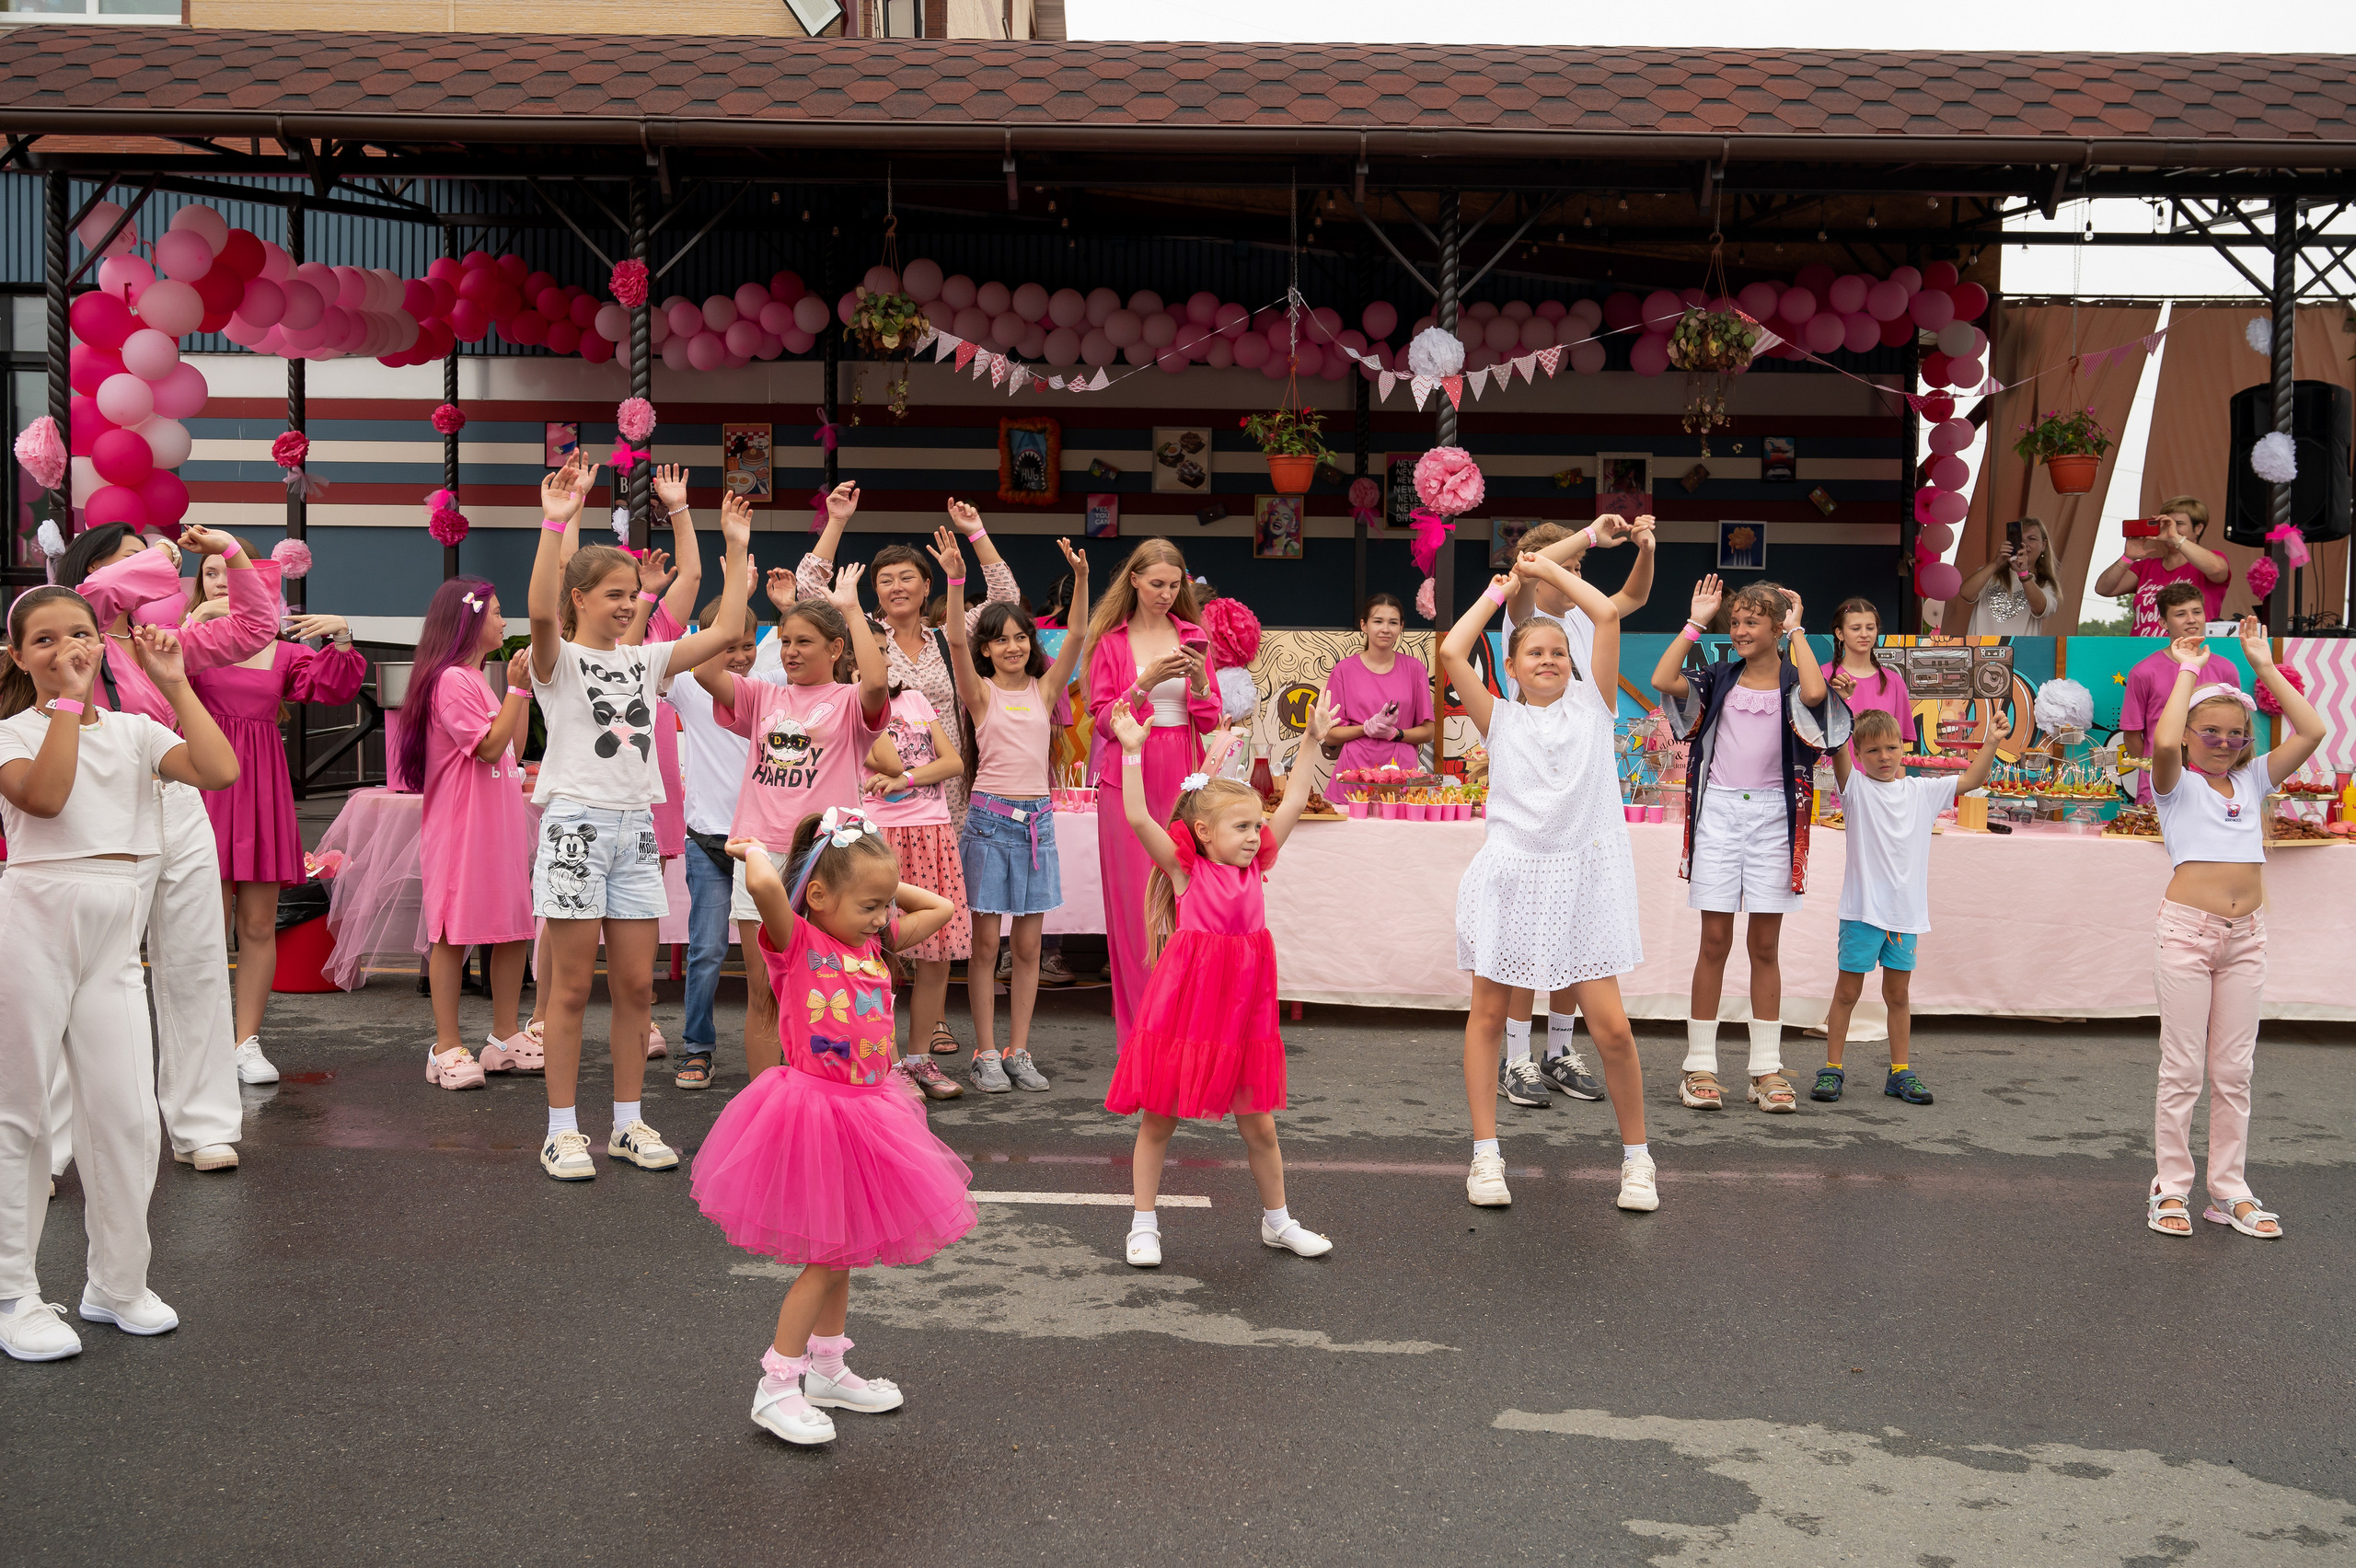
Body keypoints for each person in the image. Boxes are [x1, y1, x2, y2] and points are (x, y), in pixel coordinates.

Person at [0, 591, 237, 1361]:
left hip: (114, 934)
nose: (64, 647)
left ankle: (116, 1283)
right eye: (42, 640)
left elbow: (217, 769)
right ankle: (14, 1294)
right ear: (18, 657)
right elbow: (46, 796)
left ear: (103, 642)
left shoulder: (137, 732)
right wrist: (67, 704)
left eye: (77, 633)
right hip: (32, 924)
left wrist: (172, 681)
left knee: (129, 1115)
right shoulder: (12, 732)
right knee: (22, 1117)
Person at [688, 811, 973, 1447]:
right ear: (818, 896)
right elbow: (766, 890)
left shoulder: (873, 944)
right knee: (823, 1258)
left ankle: (826, 1370)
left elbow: (941, 908)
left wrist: (878, 884)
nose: (880, 916)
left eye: (881, 906)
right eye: (868, 904)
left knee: (844, 1251)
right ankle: (776, 1384)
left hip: (872, 1109)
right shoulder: (798, 944)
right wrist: (757, 853)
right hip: (815, 1111)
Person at [525, 453, 754, 1182]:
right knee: (566, 988)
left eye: (632, 595)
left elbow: (718, 630)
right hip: (574, 827)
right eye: (614, 594)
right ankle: (563, 1130)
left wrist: (716, 536)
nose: (628, 604)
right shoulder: (554, 661)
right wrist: (554, 524)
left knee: (632, 989)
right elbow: (537, 610)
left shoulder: (646, 662)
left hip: (635, 830)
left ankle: (627, 1122)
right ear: (581, 597)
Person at [54, 522, 280, 1172]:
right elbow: (96, 589)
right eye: (132, 558)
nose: (154, 569)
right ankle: (52, 1146)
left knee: (197, 960)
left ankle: (203, 1126)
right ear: (96, 566)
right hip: (99, 801)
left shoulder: (158, 640)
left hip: (177, 799)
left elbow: (254, 628)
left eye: (152, 559)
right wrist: (163, 552)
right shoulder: (78, 625)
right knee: (90, 973)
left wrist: (232, 552)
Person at [1440, 554, 1656, 1213]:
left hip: (1583, 881)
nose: (1547, 661)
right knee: (1486, 1017)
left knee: (1612, 1029)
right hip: (1510, 878)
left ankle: (1638, 1161)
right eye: (1533, 652)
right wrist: (1499, 589)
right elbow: (1452, 648)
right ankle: (1485, 1156)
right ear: (1510, 666)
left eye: (1557, 652)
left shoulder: (1596, 707)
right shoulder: (1500, 718)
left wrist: (1554, 577)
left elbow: (1607, 611)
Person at [1102, 698, 1339, 1265]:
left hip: (1245, 1010)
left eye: (1259, 824)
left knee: (1259, 1123)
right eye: (1243, 826)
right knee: (1159, 1117)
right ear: (1203, 833)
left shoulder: (1257, 867)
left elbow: (1298, 800)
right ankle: (1142, 1225)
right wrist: (1132, 753)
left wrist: (1310, 743)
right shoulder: (1186, 871)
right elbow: (1137, 819)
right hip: (1186, 1006)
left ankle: (1278, 1222)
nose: (1257, 835)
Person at [2142, 618, 2323, 1241]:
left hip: (2246, 937)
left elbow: (2314, 730)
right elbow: (2163, 745)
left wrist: (2263, 665)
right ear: (2192, 735)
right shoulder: (2176, 785)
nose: (2222, 742)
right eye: (2210, 732)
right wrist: (2188, 668)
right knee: (2184, 1069)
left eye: (2234, 734)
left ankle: (2229, 1190)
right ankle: (2170, 1187)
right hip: (2187, 933)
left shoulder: (2252, 779)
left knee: (2235, 1070)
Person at [1650, 575, 1843, 1116]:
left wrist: (1800, 626)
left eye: (1751, 621)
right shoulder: (1718, 676)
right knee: (1714, 940)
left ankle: (1765, 1068)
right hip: (1718, 813)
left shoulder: (1793, 677)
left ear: (1779, 627)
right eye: (1734, 622)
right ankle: (1700, 1066)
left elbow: (1813, 696)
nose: (1738, 630)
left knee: (1765, 945)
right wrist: (1696, 621)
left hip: (1776, 819)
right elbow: (1663, 677)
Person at [700, 553, 888, 1090]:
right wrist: (738, 588)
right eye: (785, 641)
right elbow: (704, 669)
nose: (790, 652)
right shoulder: (762, 695)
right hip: (760, 857)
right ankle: (768, 1101)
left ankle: (821, 1084)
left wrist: (849, 609)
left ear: (834, 649)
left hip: (826, 861)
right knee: (763, 987)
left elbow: (876, 683)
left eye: (803, 642)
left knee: (825, 984)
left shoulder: (850, 702)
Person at [185, 536, 367, 1076]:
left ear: (262, 587)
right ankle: (201, 1041)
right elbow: (153, 678)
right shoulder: (189, 636)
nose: (223, 581)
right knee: (204, 927)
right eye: (213, 573)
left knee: (259, 926)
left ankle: (245, 1043)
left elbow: (332, 690)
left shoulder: (285, 650)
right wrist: (197, 619)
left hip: (261, 786)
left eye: (234, 574)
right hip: (203, 781)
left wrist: (340, 637)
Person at [1491, 513, 1656, 1107]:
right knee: (1525, 937)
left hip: (1588, 790)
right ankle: (1515, 1058)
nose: (1576, 577)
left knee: (1572, 933)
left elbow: (1632, 595)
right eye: (1568, 570)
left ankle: (1558, 1049)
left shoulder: (1582, 619)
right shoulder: (1526, 620)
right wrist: (1582, 539)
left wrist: (1645, 547)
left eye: (1580, 571)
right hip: (1536, 794)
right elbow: (1526, 570)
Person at [939, 529, 1091, 1093]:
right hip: (988, 824)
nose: (1011, 646)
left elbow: (1076, 631)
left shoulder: (1046, 690)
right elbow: (954, 641)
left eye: (1020, 637)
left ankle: (1019, 1050)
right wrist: (956, 580)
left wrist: (1079, 578)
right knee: (984, 947)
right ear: (986, 649)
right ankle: (984, 1052)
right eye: (999, 640)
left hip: (1038, 827)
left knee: (1027, 949)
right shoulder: (979, 693)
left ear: (1031, 641)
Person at [1812, 706, 2001, 1106]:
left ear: (1904, 749)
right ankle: (1832, 1068)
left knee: (1898, 996)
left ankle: (1900, 1071)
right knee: (1847, 993)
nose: (1884, 756)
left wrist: (1993, 741)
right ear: (1859, 755)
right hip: (1862, 912)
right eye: (1874, 750)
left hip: (1905, 916)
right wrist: (1839, 703)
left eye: (1892, 747)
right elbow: (1836, 744)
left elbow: (1971, 779)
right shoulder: (1855, 790)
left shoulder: (1922, 791)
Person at [396, 577, 537, 1090]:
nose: (504, 621)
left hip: (495, 823)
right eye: (497, 612)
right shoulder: (452, 680)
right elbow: (487, 749)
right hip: (463, 827)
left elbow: (513, 747)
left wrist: (521, 692)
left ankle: (503, 1039)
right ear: (471, 621)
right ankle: (447, 1046)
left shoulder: (476, 679)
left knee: (513, 926)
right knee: (454, 934)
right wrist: (519, 689)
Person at [1084, 540, 1222, 1039]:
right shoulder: (1111, 641)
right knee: (1131, 908)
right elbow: (1102, 720)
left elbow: (1208, 719)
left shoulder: (1192, 635)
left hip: (1183, 777)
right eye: (1156, 584)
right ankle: (1140, 1034)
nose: (1165, 594)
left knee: (1184, 900)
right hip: (1129, 772)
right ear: (1135, 581)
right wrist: (1143, 684)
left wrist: (1201, 683)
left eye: (1174, 585)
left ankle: (1184, 1025)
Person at [666, 585, 763, 1091]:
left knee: (771, 953)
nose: (741, 655)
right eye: (730, 645)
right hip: (707, 839)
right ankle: (698, 1048)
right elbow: (652, 648)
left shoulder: (768, 681)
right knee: (705, 950)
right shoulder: (685, 684)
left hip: (760, 844)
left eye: (748, 643)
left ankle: (774, 1046)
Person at [860, 673, 967, 1102]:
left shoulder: (917, 700)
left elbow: (953, 763)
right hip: (880, 836)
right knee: (876, 955)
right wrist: (913, 773)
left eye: (883, 653)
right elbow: (880, 760)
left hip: (934, 832)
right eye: (869, 654)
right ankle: (883, 1062)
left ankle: (918, 1059)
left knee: (936, 953)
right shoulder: (853, 708)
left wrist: (905, 779)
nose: (879, 662)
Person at [2119, 582, 2241, 802]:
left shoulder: (2226, 669)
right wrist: (2158, 769)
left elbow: (2237, 729)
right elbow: (2132, 735)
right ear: (2163, 622)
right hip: (2160, 788)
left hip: (2216, 787)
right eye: (2181, 614)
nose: (2191, 619)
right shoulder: (2143, 671)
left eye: (2197, 611)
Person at [1318, 593, 1435, 774]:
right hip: (1354, 771)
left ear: (1401, 626)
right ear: (1364, 625)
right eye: (1378, 621)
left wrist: (1397, 734)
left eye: (1393, 622)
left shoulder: (1415, 669)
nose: (1386, 629)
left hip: (1402, 771)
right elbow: (1331, 735)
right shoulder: (1343, 670)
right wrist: (1366, 728)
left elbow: (1428, 732)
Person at [2092, 497, 2231, 637]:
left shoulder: (2211, 560)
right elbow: (2103, 589)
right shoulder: (2146, 566)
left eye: (2179, 524)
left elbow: (2217, 569)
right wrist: (2128, 557)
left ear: (2198, 528)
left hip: (2188, 652)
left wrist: (2176, 538)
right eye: (2165, 524)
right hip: (2143, 651)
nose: (2170, 529)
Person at [1828, 598, 1913, 753]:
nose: (1864, 634)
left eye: (1870, 628)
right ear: (1840, 633)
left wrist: (1899, 778)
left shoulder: (1894, 681)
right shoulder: (1822, 676)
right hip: (1833, 774)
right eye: (1855, 628)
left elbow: (1898, 747)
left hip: (1882, 776)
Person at [1954, 518, 2058, 637]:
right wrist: (1996, 562)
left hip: (2020, 653)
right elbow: (1965, 593)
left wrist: (2023, 574)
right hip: (1980, 652)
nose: (2024, 545)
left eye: (2032, 539)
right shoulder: (1992, 574)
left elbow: (2041, 608)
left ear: (2043, 545)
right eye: (2019, 539)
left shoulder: (2046, 584)